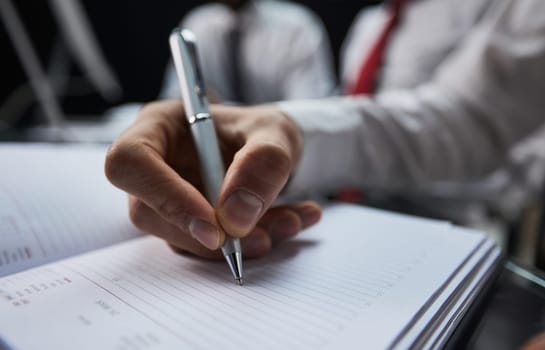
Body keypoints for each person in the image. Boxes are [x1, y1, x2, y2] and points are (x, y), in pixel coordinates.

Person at [105, 0, 545, 259]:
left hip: (454, 225)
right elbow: (351, 112)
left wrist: (288, 131)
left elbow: (461, 120)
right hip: (347, 207)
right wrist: (282, 138)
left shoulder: (511, 8)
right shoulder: (372, 22)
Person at [160, 0, 336, 104]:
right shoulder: (197, 25)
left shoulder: (297, 27)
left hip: (284, 151)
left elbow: (308, 108)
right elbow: (173, 97)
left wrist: (228, 115)